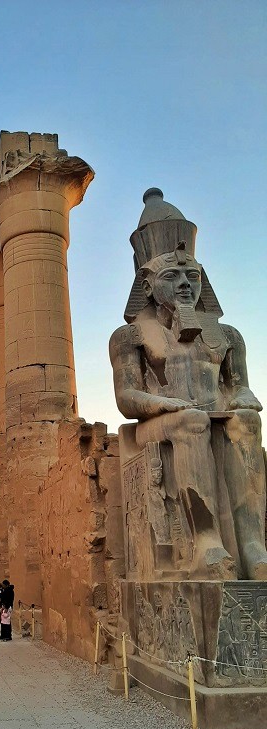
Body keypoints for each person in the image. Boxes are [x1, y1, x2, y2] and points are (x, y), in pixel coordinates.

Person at [110, 188, 267, 580]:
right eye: (172, 275)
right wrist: (165, 404)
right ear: (147, 285)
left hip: (211, 411)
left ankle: (251, 543)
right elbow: (127, 397)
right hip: (160, 420)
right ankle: (206, 541)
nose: (184, 284)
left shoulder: (227, 334)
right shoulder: (130, 336)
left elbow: (239, 387)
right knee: (191, 422)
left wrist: (243, 401)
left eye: (191, 275)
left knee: (246, 425)